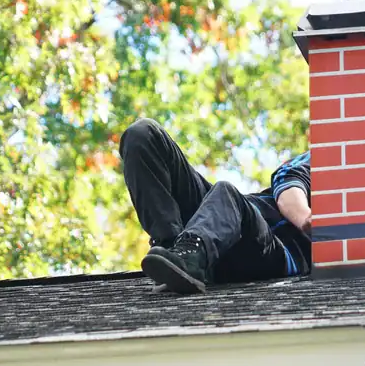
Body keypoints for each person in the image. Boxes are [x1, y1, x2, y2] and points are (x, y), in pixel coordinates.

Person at [119, 118, 311, 294]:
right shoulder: (332, 157)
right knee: (142, 134)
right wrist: (308, 220)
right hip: (222, 224)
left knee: (226, 193)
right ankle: (172, 253)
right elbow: (288, 184)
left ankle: (189, 257)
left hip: (272, 252)